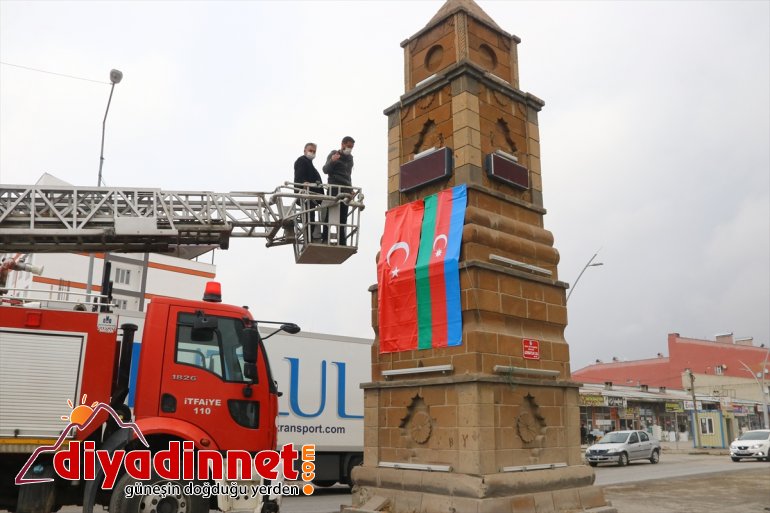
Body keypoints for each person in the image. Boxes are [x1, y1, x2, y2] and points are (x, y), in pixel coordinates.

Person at [322, 136, 355, 246]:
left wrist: (351, 189)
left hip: (345, 190)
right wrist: (332, 161)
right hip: (334, 189)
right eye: (349, 146)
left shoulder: (350, 159)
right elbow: (325, 169)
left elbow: (348, 176)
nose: (350, 149)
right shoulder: (334, 154)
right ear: (342, 144)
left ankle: (342, 241)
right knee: (330, 215)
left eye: (352, 147)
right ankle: (325, 238)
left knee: (343, 217)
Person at [294, 142, 324, 242]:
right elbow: (299, 176)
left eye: (314, 151)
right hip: (304, 195)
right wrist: (303, 183)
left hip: (311, 197)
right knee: (309, 218)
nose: (312, 153)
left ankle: (310, 238)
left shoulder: (311, 166)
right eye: (310, 150)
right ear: (305, 151)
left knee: (310, 217)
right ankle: (308, 239)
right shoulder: (301, 161)